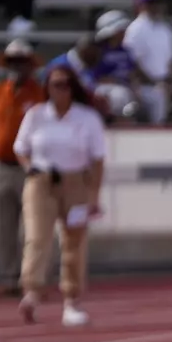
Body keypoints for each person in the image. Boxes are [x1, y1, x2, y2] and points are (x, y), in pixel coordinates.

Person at [14, 61, 105, 326]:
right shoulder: (36, 115)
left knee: (74, 242)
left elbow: (98, 159)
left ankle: (71, 300)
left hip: (76, 181)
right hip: (42, 181)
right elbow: (20, 147)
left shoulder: (87, 118)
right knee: (37, 237)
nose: (60, 90)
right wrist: (29, 168)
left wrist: (94, 195)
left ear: (73, 87)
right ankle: (32, 291)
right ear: (48, 87)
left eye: (65, 85)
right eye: (55, 85)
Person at [0, 38, 40, 297]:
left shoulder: (40, 94)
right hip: (1, 166)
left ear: (30, 65)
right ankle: (9, 276)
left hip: (30, 167)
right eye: (12, 61)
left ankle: (32, 276)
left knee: (34, 226)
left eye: (21, 61)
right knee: (3, 227)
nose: (17, 66)